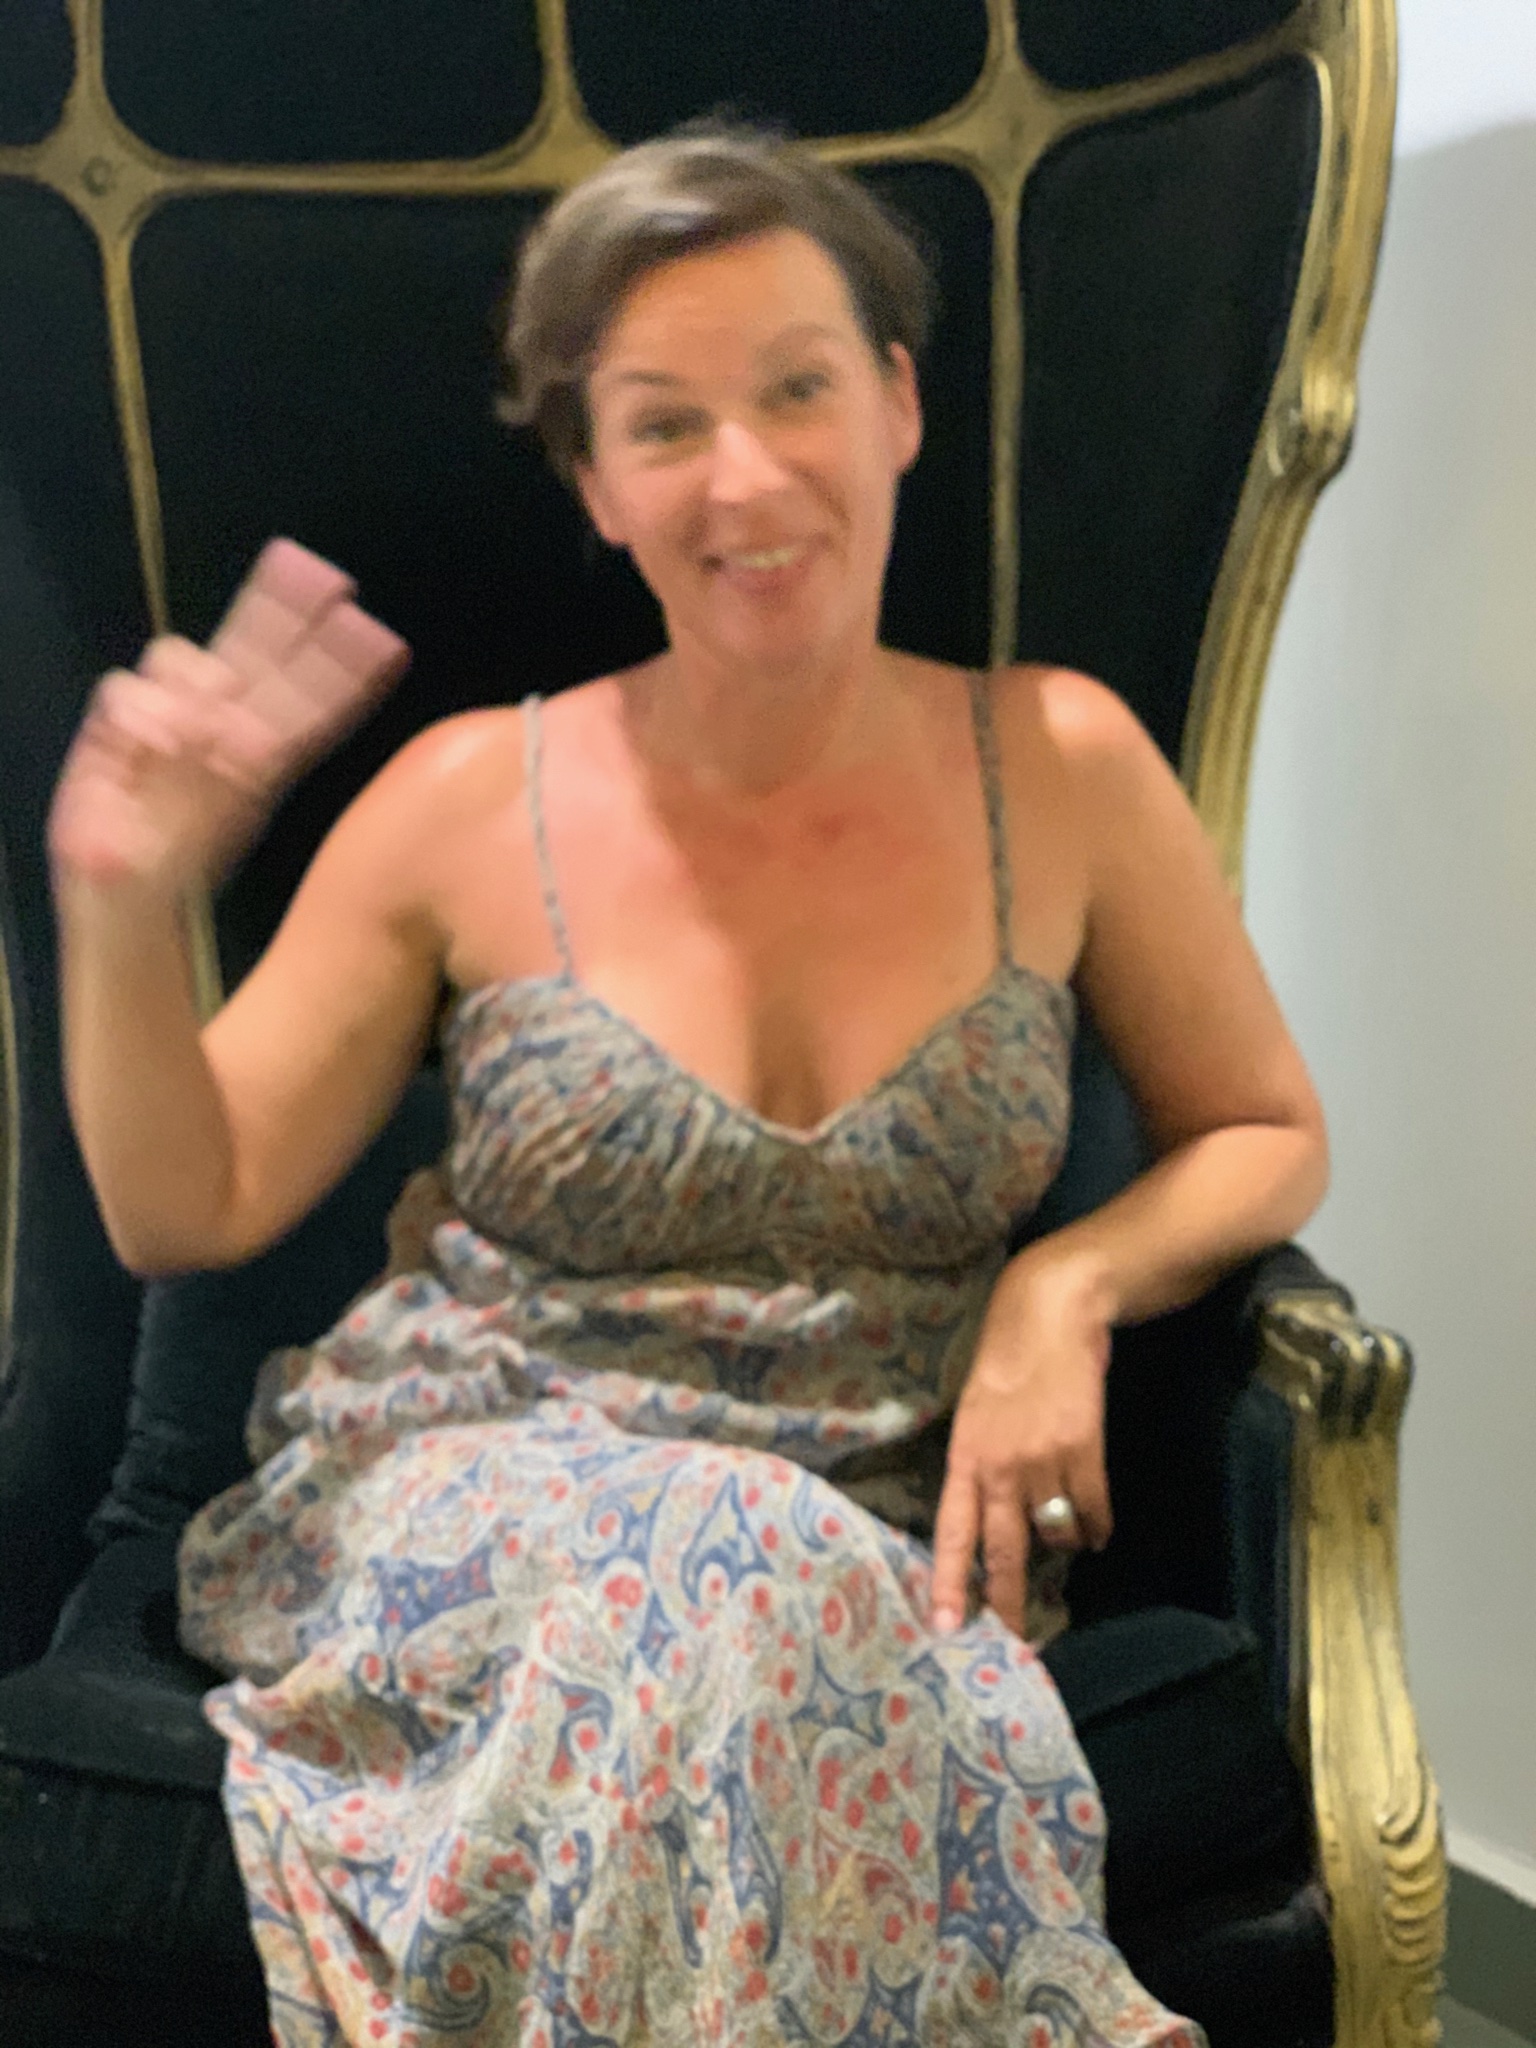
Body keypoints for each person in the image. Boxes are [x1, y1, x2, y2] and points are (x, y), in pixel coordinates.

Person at [50, 126, 1326, 2048]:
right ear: (597, 481)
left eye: (798, 388)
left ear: (898, 404)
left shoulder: (1064, 767)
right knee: (728, 1563)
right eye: (663, 424)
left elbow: (1263, 1128)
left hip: (870, 1552)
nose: (745, 475)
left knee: (759, 1609)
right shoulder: (464, 798)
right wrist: (123, 903)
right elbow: (184, 1200)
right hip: (465, 1508)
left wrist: (1067, 1288)